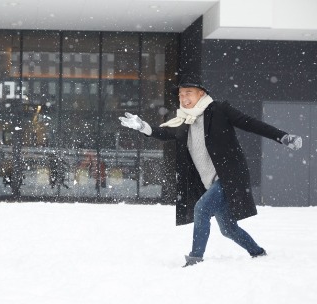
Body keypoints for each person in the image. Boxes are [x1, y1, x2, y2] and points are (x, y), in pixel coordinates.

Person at [119, 74, 303, 267]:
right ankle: (258, 252)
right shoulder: (184, 121)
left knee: (202, 208)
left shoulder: (219, 110)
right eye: (181, 95)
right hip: (211, 182)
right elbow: (164, 133)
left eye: (188, 93)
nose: (183, 98)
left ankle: (195, 258)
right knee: (228, 229)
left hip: (229, 176)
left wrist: (282, 137)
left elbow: (251, 124)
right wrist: (141, 126)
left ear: (201, 94)